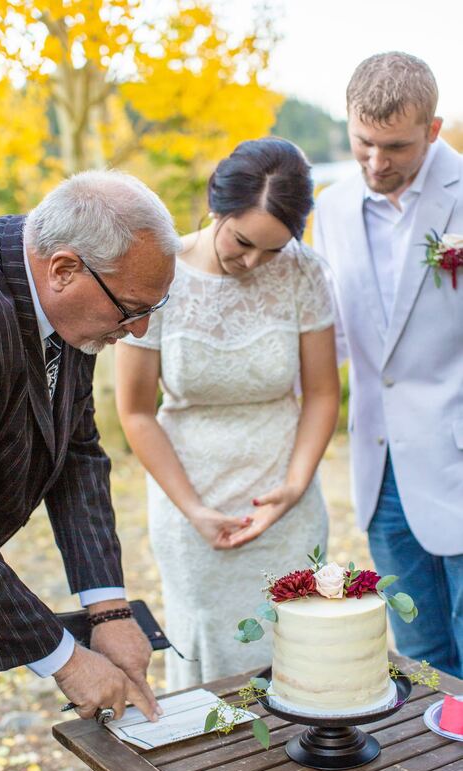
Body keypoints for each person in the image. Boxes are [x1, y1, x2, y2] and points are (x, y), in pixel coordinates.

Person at [0, 169, 180, 771]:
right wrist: (69, 662)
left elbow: (76, 454)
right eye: (132, 310)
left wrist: (111, 610)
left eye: (152, 310)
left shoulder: (64, 300)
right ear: (65, 268)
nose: (139, 331)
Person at [115, 138, 340, 690]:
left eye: (273, 250)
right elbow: (136, 411)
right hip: (193, 506)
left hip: (285, 504)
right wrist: (193, 509)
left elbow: (322, 394)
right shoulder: (159, 274)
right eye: (243, 242)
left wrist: (292, 487)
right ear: (217, 206)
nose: (254, 262)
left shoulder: (303, 273)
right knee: (209, 666)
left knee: (299, 658)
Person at [313, 52, 463, 678]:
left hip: (457, 453)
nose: (376, 164)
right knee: (419, 656)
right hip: (380, 470)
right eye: (362, 143)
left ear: (433, 130)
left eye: (396, 147)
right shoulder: (332, 208)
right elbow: (340, 334)